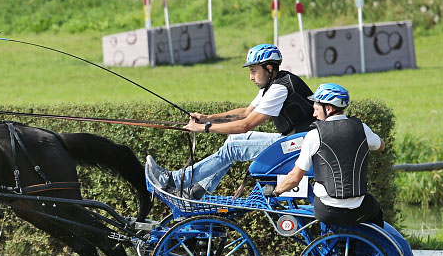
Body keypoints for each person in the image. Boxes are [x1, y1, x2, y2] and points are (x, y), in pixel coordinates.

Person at [147, 43, 314, 199]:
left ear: (269, 68)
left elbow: (245, 125)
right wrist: (208, 118)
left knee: (234, 147)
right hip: (295, 140)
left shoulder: (279, 88)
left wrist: (204, 128)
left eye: (254, 71)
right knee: (233, 141)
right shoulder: (273, 84)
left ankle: (173, 180)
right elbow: (245, 113)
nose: (251, 77)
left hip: (301, 144)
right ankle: (197, 191)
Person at [263, 83, 385, 225]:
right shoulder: (361, 128)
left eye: (316, 109)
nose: (314, 114)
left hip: (326, 210)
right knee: (375, 209)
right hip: (357, 208)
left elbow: (295, 178)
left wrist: (275, 191)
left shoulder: (314, 135)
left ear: (328, 108)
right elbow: (381, 146)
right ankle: (367, 245)